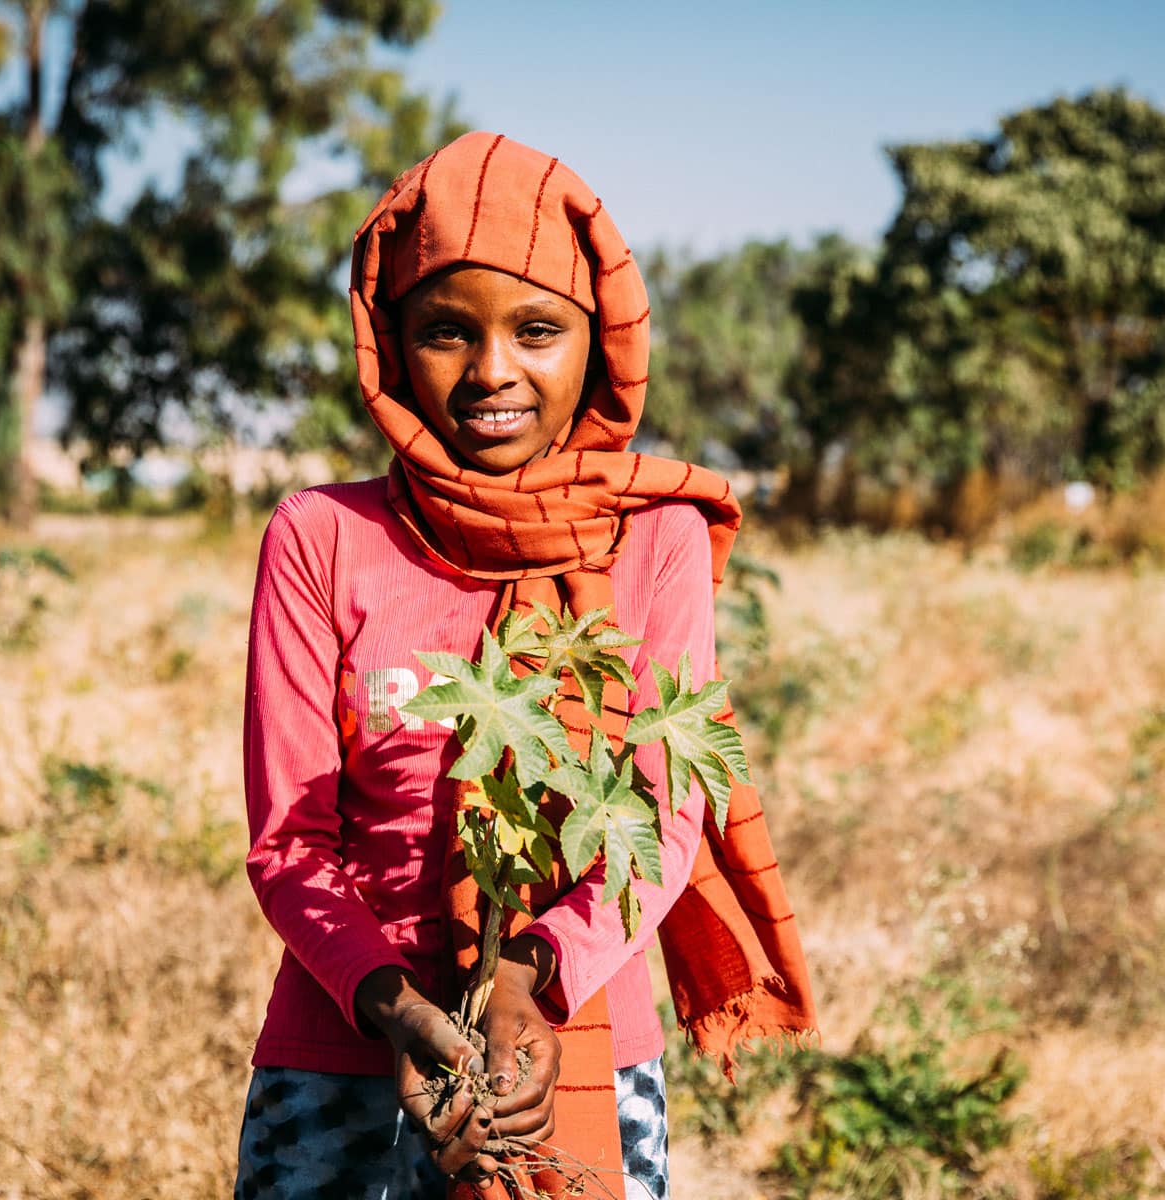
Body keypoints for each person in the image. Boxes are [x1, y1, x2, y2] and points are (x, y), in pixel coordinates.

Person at [236, 131, 815, 1200]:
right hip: (342, 1052)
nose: (493, 370)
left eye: (538, 330)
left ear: (598, 345)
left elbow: (660, 816)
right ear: (391, 347)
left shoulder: (656, 540)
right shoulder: (319, 535)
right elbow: (288, 845)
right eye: (446, 332)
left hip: (576, 1029)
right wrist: (399, 1010)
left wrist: (524, 987)